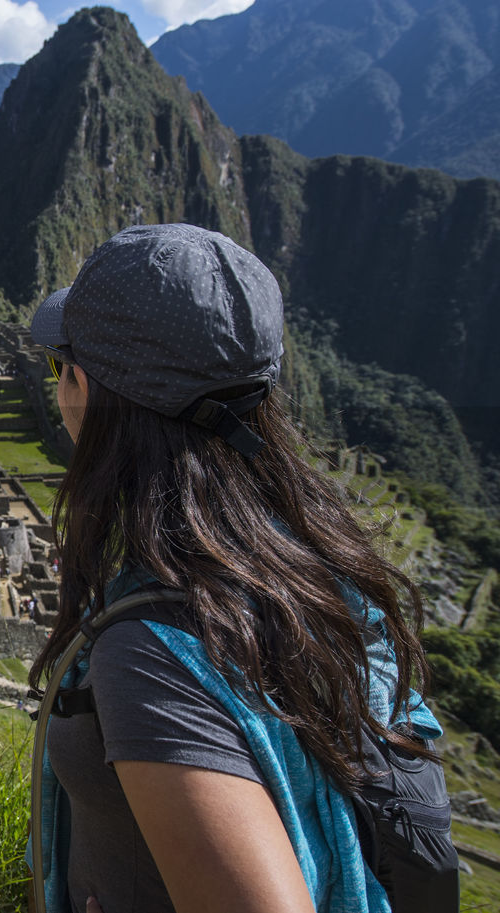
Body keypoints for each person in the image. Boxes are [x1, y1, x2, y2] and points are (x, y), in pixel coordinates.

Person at [27, 223, 441, 913]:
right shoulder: (318, 571)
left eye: (59, 367)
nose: (59, 386)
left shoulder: (158, 648)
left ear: (93, 390)